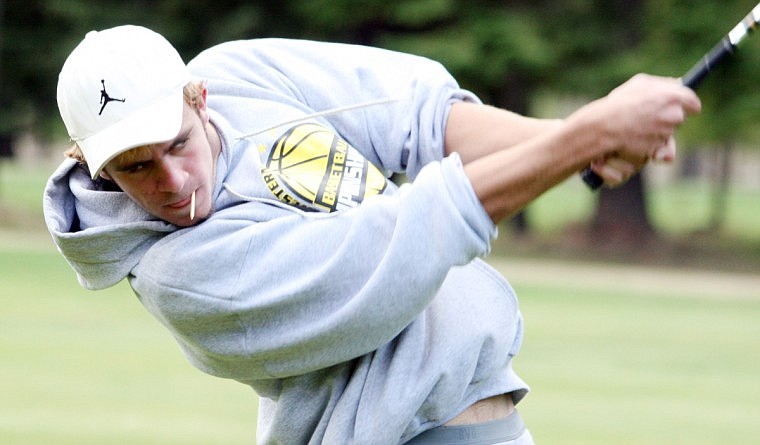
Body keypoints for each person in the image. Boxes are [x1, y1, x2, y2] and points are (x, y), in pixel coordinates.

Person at [43, 25, 700, 445]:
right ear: (86, 161)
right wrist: (583, 138)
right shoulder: (182, 274)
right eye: (134, 168)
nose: (171, 180)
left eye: (176, 145)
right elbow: (405, 240)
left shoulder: (241, 74)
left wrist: (584, 143)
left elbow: (418, 116)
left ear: (199, 97)